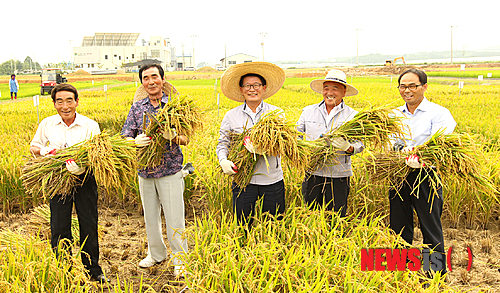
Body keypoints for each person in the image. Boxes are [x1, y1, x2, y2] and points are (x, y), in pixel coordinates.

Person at [29, 83, 108, 283]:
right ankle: (64, 268)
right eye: (60, 101)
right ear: (54, 104)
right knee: (59, 225)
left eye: (69, 101)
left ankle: (93, 269)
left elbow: (98, 153)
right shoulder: (47, 124)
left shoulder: (90, 125)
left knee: (88, 223)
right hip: (57, 179)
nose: (65, 105)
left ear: (77, 102)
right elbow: (34, 146)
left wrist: (83, 167)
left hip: (84, 178)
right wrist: (45, 151)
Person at [121, 64, 188, 277]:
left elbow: (186, 138)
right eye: (146, 78)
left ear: (162, 79)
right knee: (150, 216)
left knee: (175, 216)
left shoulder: (175, 107)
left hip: (170, 169)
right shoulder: (137, 107)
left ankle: (180, 259)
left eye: (154, 77)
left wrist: (174, 137)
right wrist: (133, 141)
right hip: (145, 170)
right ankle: (156, 254)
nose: (151, 81)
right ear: (142, 82)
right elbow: (125, 135)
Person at [390, 68, 456, 275]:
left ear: (424, 87)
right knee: (399, 227)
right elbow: (388, 141)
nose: (406, 90)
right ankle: (402, 272)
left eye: (412, 85)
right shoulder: (393, 115)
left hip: (427, 175)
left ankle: (435, 275)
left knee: (429, 226)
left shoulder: (439, 113)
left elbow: (440, 142)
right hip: (398, 174)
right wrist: (401, 150)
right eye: (403, 86)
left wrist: (420, 155)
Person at [216, 61, 286, 227]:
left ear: (264, 87)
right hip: (243, 181)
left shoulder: (277, 114)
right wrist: (223, 160)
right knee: (242, 226)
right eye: (247, 85)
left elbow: (285, 144)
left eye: (256, 85)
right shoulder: (231, 116)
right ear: (241, 90)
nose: (252, 89)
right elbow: (223, 143)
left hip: (272, 180)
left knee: (274, 227)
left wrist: (265, 147)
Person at [297, 70, 364, 216]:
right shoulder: (308, 111)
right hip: (313, 172)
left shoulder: (353, 116)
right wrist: (303, 148)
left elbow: (360, 144)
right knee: (310, 215)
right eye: (326, 88)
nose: (329, 92)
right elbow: (297, 135)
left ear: (344, 92)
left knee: (336, 217)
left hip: (339, 175)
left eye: (335, 89)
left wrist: (348, 147)